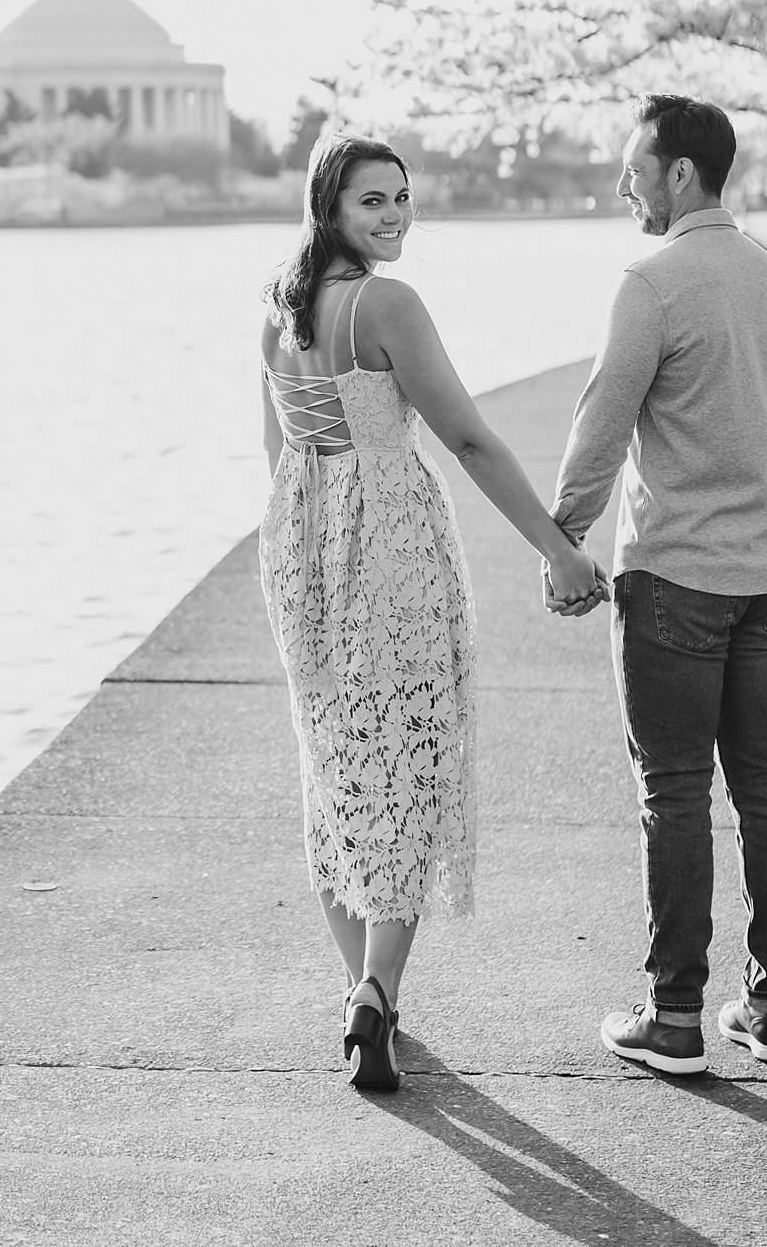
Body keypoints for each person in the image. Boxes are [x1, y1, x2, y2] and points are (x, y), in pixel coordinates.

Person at [259, 133, 607, 1093]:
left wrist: (310, 556)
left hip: (305, 561)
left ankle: (366, 1002)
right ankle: (376, 989)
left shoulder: (276, 319)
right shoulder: (384, 305)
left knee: (335, 771)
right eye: (373, 201)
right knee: (408, 761)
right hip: (393, 558)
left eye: (402, 199)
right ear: (328, 206)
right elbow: (466, 435)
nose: (394, 217)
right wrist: (560, 547)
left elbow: (278, 462)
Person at [547, 94, 767, 1077]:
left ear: (681, 174)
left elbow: (603, 426)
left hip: (677, 581)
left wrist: (565, 540)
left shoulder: (652, 284)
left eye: (635, 167)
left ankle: (673, 1019)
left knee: (675, 792)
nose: (625, 184)